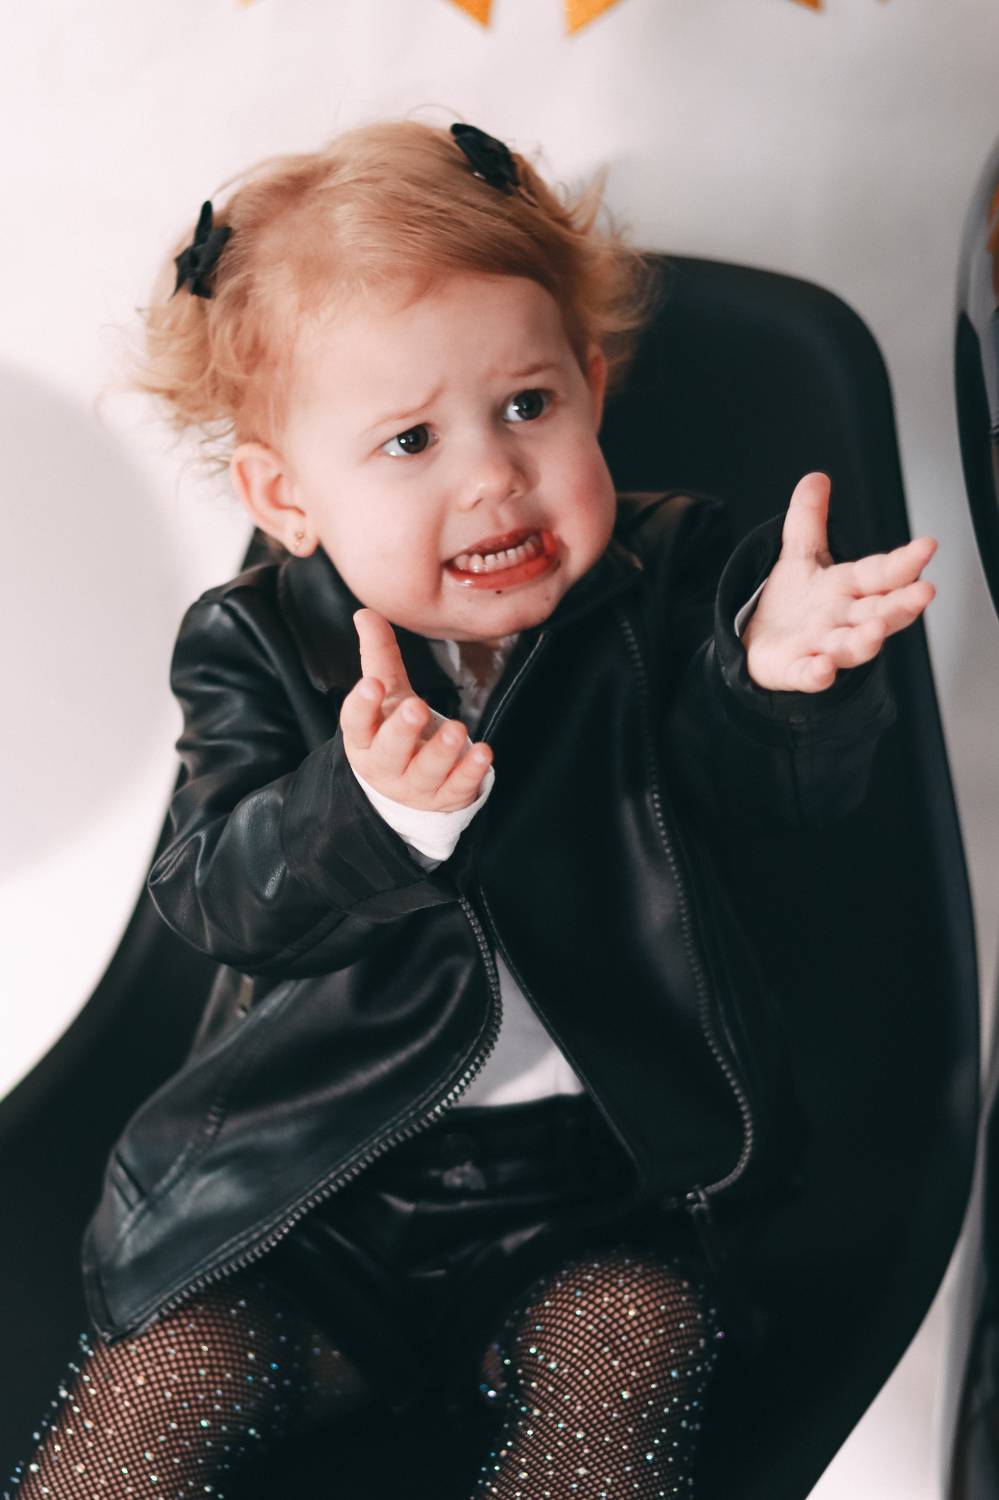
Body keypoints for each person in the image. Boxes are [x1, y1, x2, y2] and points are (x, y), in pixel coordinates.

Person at [6, 119, 936, 1500]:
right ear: (286, 496)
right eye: (409, 439)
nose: (493, 476)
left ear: (593, 388)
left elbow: (782, 812)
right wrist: (367, 810)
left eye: (527, 406)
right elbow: (220, 900)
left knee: (629, 1358)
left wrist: (770, 682)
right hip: (310, 1194)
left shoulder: (678, 585)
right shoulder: (253, 647)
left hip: (602, 1191)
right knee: (147, 1400)